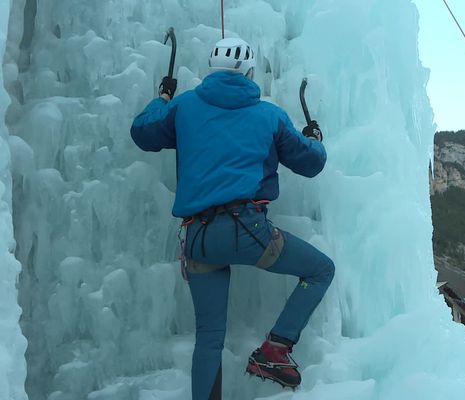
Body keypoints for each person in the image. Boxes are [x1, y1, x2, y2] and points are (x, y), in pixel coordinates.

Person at [130, 37, 335, 400]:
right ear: (250, 71)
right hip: (249, 232)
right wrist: (315, 137)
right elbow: (312, 162)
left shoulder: (185, 106)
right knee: (320, 270)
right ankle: (276, 349)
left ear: (212, 68)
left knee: (209, 338)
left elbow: (143, 132)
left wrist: (162, 96)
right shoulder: (269, 115)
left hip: (199, 240)